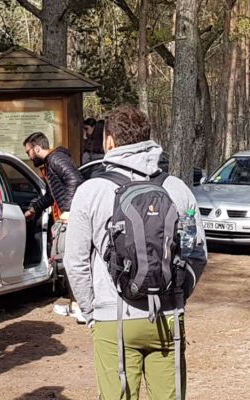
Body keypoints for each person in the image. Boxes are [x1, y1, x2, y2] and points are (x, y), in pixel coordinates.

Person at [65, 106, 206, 400]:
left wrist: (92, 312)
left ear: (110, 142)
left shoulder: (91, 191)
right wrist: (178, 293)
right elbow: (197, 251)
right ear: (148, 140)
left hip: (112, 318)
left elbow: (75, 261)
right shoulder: (176, 189)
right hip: (168, 316)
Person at [22, 131, 88, 323]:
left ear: (36, 147)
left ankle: (80, 307)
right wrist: (34, 208)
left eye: (29, 152)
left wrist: (68, 209)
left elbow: (75, 179)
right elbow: (52, 194)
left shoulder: (55, 159)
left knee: (71, 262)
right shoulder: (50, 164)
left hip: (70, 220)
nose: (29, 156)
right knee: (69, 262)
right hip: (67, 218)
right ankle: (76, 305)